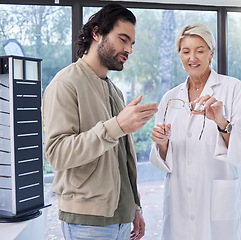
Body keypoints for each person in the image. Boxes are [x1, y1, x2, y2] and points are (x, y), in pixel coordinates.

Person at [42, 4, 158, 240]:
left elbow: (122, 159)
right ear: (97, 33)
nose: (129, 49)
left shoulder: (114, 90)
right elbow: (57, 153)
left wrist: (134, 206)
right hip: (89, 225)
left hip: (123, 221)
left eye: (132, 44)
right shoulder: (65, 84)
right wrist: (117, 127)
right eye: (123, 39)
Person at [150, 23, 241, 240]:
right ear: (179, 55)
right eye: (186, 51)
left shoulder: (234, 90)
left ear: (211, 53)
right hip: (180, 202)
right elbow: (164, 159)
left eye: (200, 51)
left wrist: (221, 122)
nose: (193, 58)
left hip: (218, 204)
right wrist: (162, 142)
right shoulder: (170, 98)